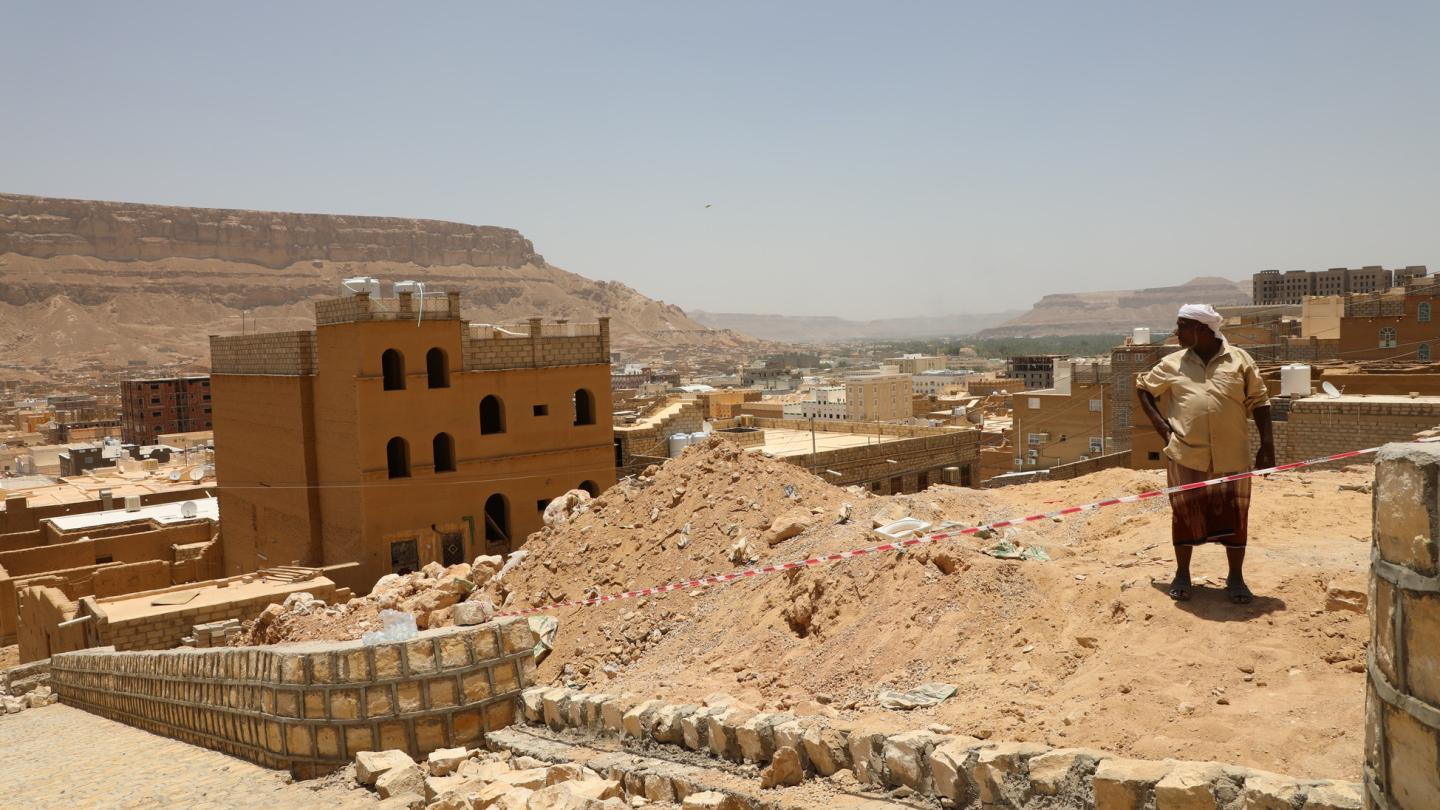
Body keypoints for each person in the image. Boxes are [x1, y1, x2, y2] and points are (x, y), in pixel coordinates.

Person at [1136, 304, 1274, 604]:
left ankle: (1235, 578)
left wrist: (1267, 446)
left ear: (1200, 329)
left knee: (1236, 516)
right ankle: (1182, 574)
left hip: (1231, 456)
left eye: (1181, 326)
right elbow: (1144, 388)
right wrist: (1163, 428)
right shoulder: (1172, 364)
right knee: (1184, 514)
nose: (1176, 332)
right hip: (1186, 455)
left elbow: (1260, 402)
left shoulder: (1239, 360)